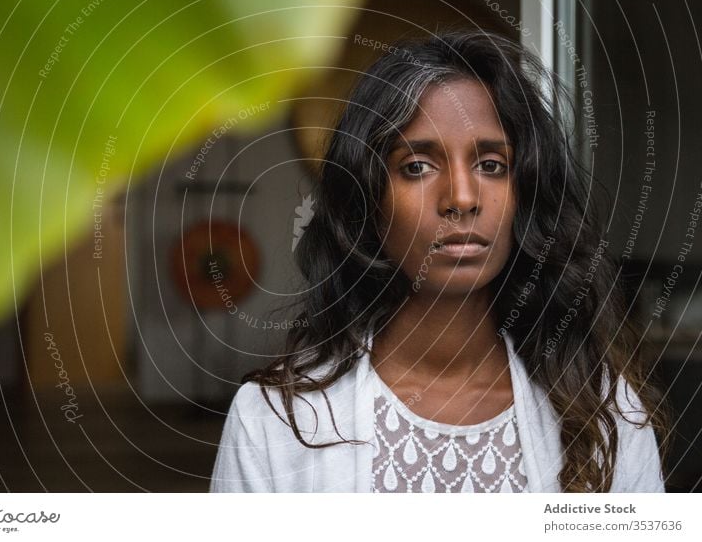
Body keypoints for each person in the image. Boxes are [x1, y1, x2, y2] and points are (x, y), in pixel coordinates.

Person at [209, 29, 668, 493]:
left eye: (491, 164)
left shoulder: (603, 413)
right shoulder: (272, 420)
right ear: (369, 201)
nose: (462, 199)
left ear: (525, 194)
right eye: (417, 167)